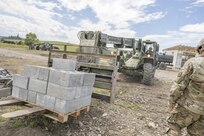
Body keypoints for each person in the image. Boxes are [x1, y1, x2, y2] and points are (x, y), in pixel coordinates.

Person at [166, 39, 204, 136]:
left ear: (200, 48)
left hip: (188, 107)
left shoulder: (193, 62)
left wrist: (171, 103)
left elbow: (179, 85)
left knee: (173, 127)